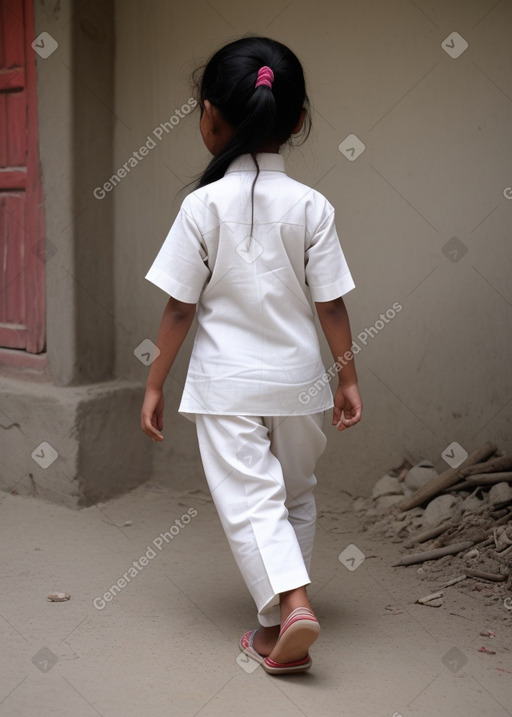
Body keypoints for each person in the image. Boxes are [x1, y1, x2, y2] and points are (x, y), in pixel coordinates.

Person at [141, 36, 362, 675]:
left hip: (226, 387)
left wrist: (155, 382)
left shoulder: (201, 206)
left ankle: (292, 606)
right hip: (299, 385)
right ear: (296, 120)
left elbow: (180, 308)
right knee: (294, 496)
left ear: (210, 116)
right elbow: (333, 306)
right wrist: (348, 378)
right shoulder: (312, 207)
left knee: (250, 502)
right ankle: (276, 634)